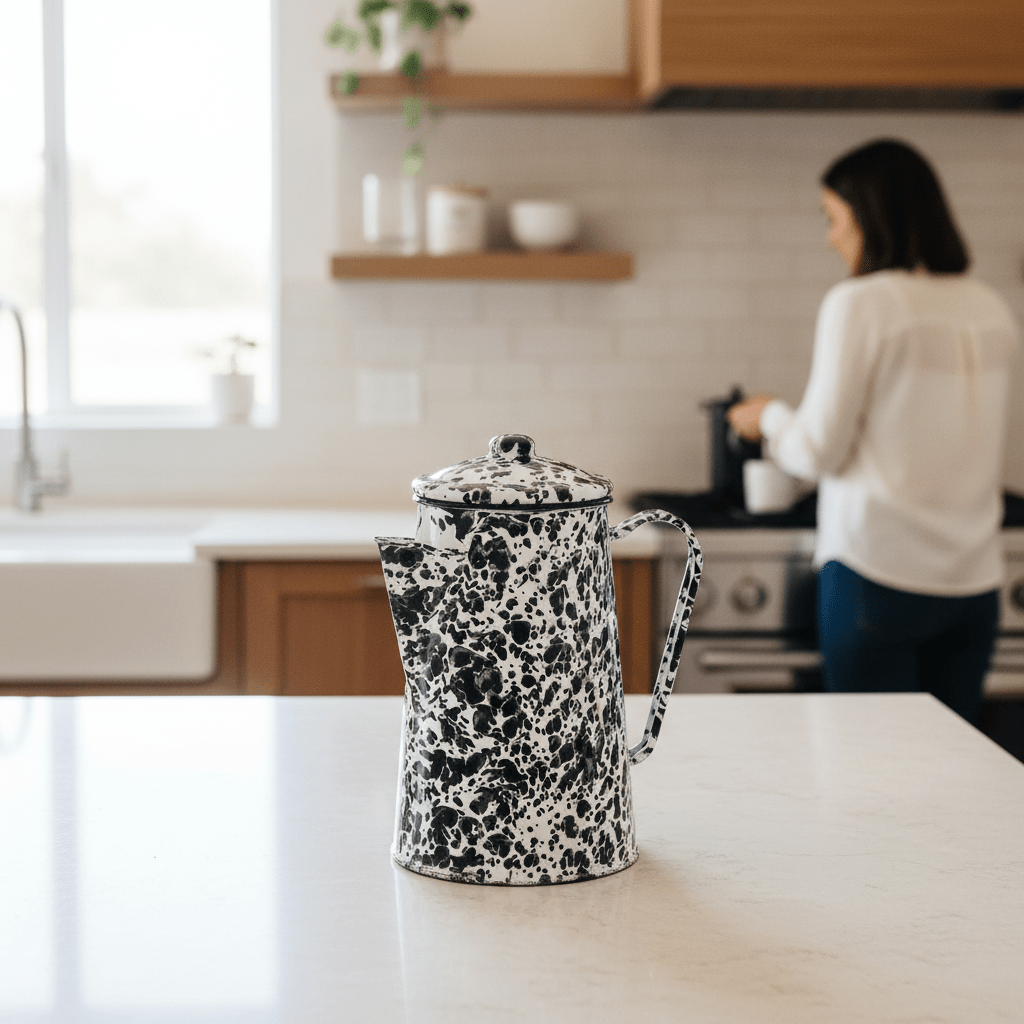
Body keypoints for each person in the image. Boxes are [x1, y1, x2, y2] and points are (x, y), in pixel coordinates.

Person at [727, 139, 1019, 724]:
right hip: (974, 586)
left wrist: (768, 417)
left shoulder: (860, 304)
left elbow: (815, 452)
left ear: (870, 217)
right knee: (950, 783)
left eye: (835, 219)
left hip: (878, 580)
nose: (832, 237)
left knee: (872, 782)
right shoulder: (989, 306)